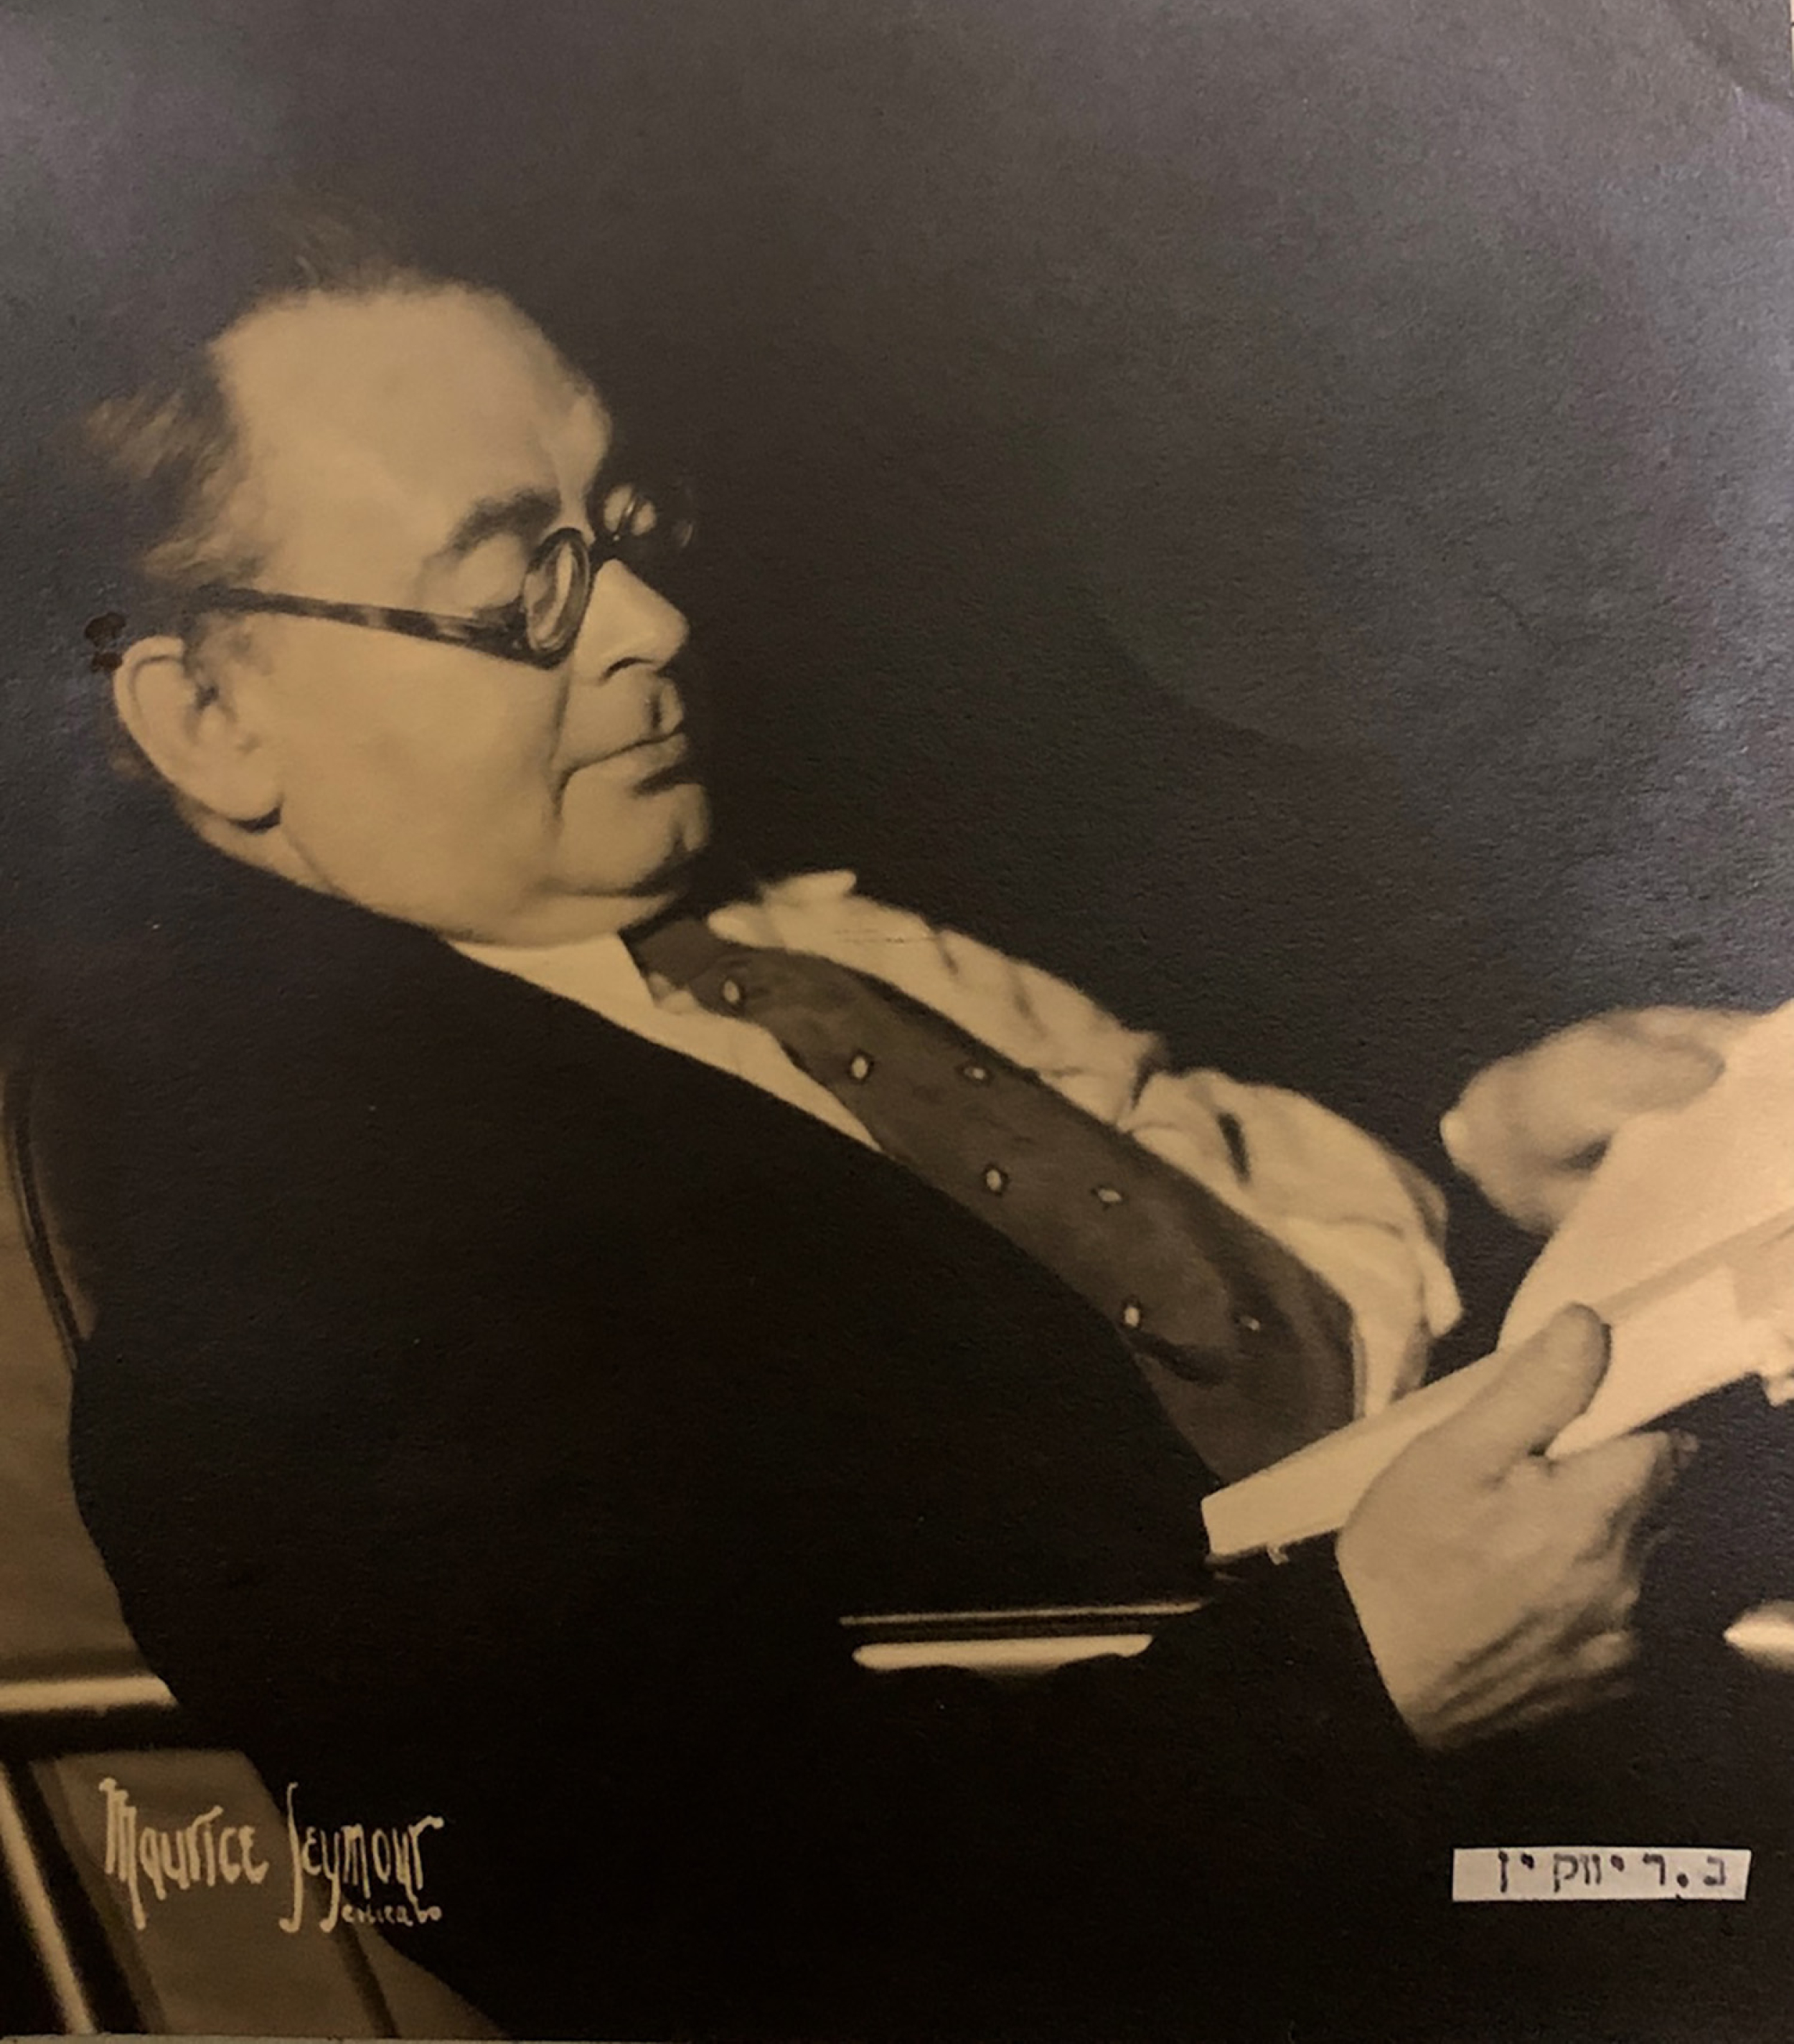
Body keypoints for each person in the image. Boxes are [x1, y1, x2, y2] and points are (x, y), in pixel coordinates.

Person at [44, 236, 1696, 2040]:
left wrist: (1487, 1164)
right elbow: (716, 1938)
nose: (654, 624)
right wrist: (1361, 1685)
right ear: (212, 719)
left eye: (627, 526)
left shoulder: (790, 931)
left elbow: (1139, 1304)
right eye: (523, 583)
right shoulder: (297, 1304)